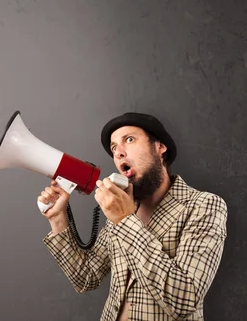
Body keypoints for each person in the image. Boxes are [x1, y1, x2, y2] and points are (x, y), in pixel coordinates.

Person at [39, 112, 228, 321]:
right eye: (113, 147)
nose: (118, 153)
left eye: (129, 139)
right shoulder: (124, 209)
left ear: (160, 147)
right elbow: (86, 277)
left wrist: (124, 220)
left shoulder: (204, 206)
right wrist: (58, 218)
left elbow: (183, 300)